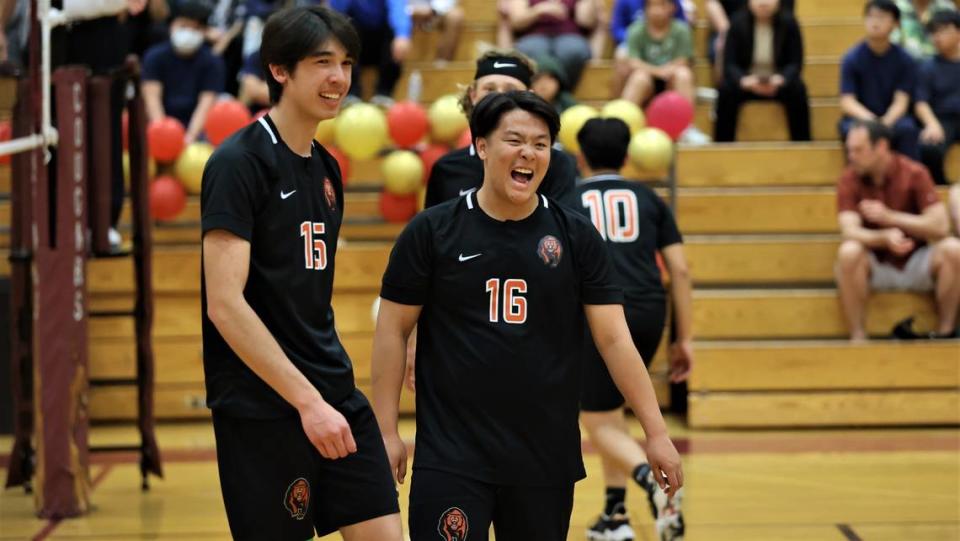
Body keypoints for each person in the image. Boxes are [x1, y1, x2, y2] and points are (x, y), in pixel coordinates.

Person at [370, 90, 683, 540]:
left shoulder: (576, 234)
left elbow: (614, 339)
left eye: (541, 144)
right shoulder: (432, 231)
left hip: (544, 458)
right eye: (514, 140)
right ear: (480, 146)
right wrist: (385, 431)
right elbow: (393, 330)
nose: (528, 153)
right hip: (452, 456)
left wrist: (655, 432)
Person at [200, 6, 403, 539]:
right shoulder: (238, 163)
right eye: (321, 63)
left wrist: (324, 397)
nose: (339, 78)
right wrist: (306, 402)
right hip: (263, 403)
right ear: (279, 70)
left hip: (334, 392)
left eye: (346, 63)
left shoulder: (327, 166)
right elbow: (224, 303)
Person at [573, 117, 692, 541]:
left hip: (598, 314)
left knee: (597, 420)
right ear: (627, 156)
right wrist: (685, 337)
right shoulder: (650, 199)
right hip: (648, 310)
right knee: (611, 412)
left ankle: (649, 482)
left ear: (580, 156)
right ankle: (614, 514)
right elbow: (679, 269)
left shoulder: (567, 197)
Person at [835, 120, 960, 341]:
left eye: (858, 150)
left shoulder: (914, 172)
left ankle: (945, 331)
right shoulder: (848, 178)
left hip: (916, 260)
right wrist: (882, 238)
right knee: (848, 252)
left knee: (953, 249)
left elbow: (940, 226)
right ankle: (858, 336)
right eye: (849, 150)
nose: (851, 156)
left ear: (881, 146)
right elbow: (849, 231)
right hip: (876, 263)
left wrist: (891, 218)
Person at [424, 48, 577, 208]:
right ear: (473, 95)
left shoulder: (556, 164)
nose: (499, 98)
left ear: (529, 96)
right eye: (489, 89)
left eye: (511, 90)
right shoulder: (447, 169)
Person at [714, 0, 810, 142]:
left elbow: (795, 63)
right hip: (748, 82)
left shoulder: (789, 23)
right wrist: (744, 80)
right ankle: (722, 146)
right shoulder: (737, 22)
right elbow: (730, 64)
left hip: (777, 82)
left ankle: (803, 145)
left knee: (798, 90)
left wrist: (781, 79)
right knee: (726, 91)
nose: (763, 3)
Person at [838, 0, 921, 160]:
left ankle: (909, 182)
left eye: (881, 17)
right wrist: (873, 122)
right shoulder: (851, 58)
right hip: (862, 118)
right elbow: (847, 101)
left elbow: (901, 101)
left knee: (908, 129)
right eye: (870, 17)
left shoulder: (905, 60)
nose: (875, 22)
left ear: (895, 24)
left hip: (893, 118)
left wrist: (884, 123)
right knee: (850, 130)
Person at [142, 0, 225, 144]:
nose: (188, 33)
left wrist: (189, 139)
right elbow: (152, 100)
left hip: (197, 133)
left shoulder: (212, 62)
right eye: (183, 26)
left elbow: (205, 105)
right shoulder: (154, 56)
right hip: (160, 128)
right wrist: (164, 134)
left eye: (195, 29)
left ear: (204, 32)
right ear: (172, 25)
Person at [328, 0, 412, 106]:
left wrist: (402, 35)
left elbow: (398, 8)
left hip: (382, 44)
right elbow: (336, 12)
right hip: (355, 43)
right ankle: (351, 92)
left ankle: (384, 92)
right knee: (342, 29)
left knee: (398, 36)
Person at [506, 0, 599, 90]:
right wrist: (539, 10)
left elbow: (586, 21)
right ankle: (541, 96)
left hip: (570, 34)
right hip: (534, 35)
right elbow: (517, 22)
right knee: (532, 50)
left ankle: (559, 93)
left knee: (574, 50)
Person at [915, 9, 960, 185]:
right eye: (933, 32)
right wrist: (932, 124)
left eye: (943, 31)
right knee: (928, 146)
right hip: (942, 120)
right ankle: (940, 186)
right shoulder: (927, 67)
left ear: (958, 32)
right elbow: (920, 102)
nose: (937, 37)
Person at [892, 0, 957, 58]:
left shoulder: (945, 6)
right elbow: (892, 39)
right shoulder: (899, 6)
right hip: (906, 61)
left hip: (940, 62)